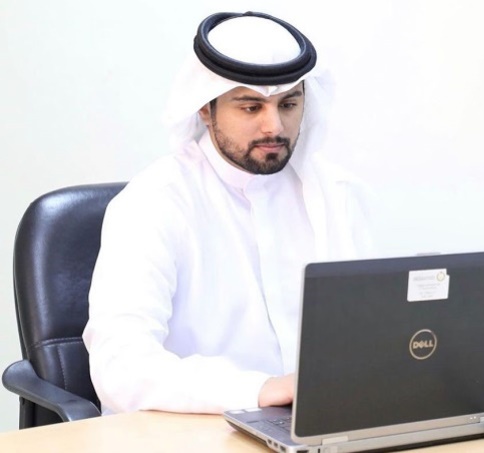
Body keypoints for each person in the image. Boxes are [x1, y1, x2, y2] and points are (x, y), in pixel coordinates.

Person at [82, 11, 373, 415]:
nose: (275, 126)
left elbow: (369, 333)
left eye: (289, 104)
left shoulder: (337, 195)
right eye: (251, 107)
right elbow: (121, 367)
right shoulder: (154, 203)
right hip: (191, 430)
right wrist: (258, 390)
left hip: (319, 425)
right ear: (205, 108)